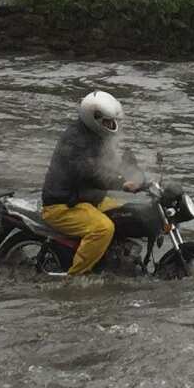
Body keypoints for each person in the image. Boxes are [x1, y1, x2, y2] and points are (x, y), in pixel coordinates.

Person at [39, 90, 140, 276]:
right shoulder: (74, 142)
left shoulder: (97, 137)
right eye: (108, 122)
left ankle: (112, 260)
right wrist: (121, 184)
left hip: (87, 198)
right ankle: (76, 276)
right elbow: (91, 174)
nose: (112, 126)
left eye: (113, 122)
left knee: (126, 213)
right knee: (103, 228)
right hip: (63, 205)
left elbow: (111, 163)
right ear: (94, 118)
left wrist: (135, 173)